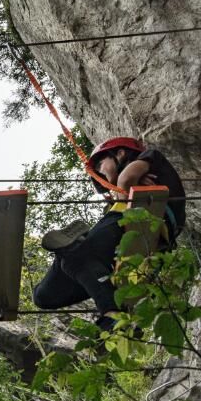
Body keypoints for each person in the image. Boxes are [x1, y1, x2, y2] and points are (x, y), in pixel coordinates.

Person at [34, 137, 186, 332]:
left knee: (76, 255)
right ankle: (70, 248)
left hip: (135, 218)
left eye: (100, 164)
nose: (99, 172)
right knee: (43, 297)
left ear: (120, 153)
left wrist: (128, 184)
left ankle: (110, 309)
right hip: (130, 238)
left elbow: (125, 179)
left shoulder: (152, 158)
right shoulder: (128, 188)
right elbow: (125, 182)